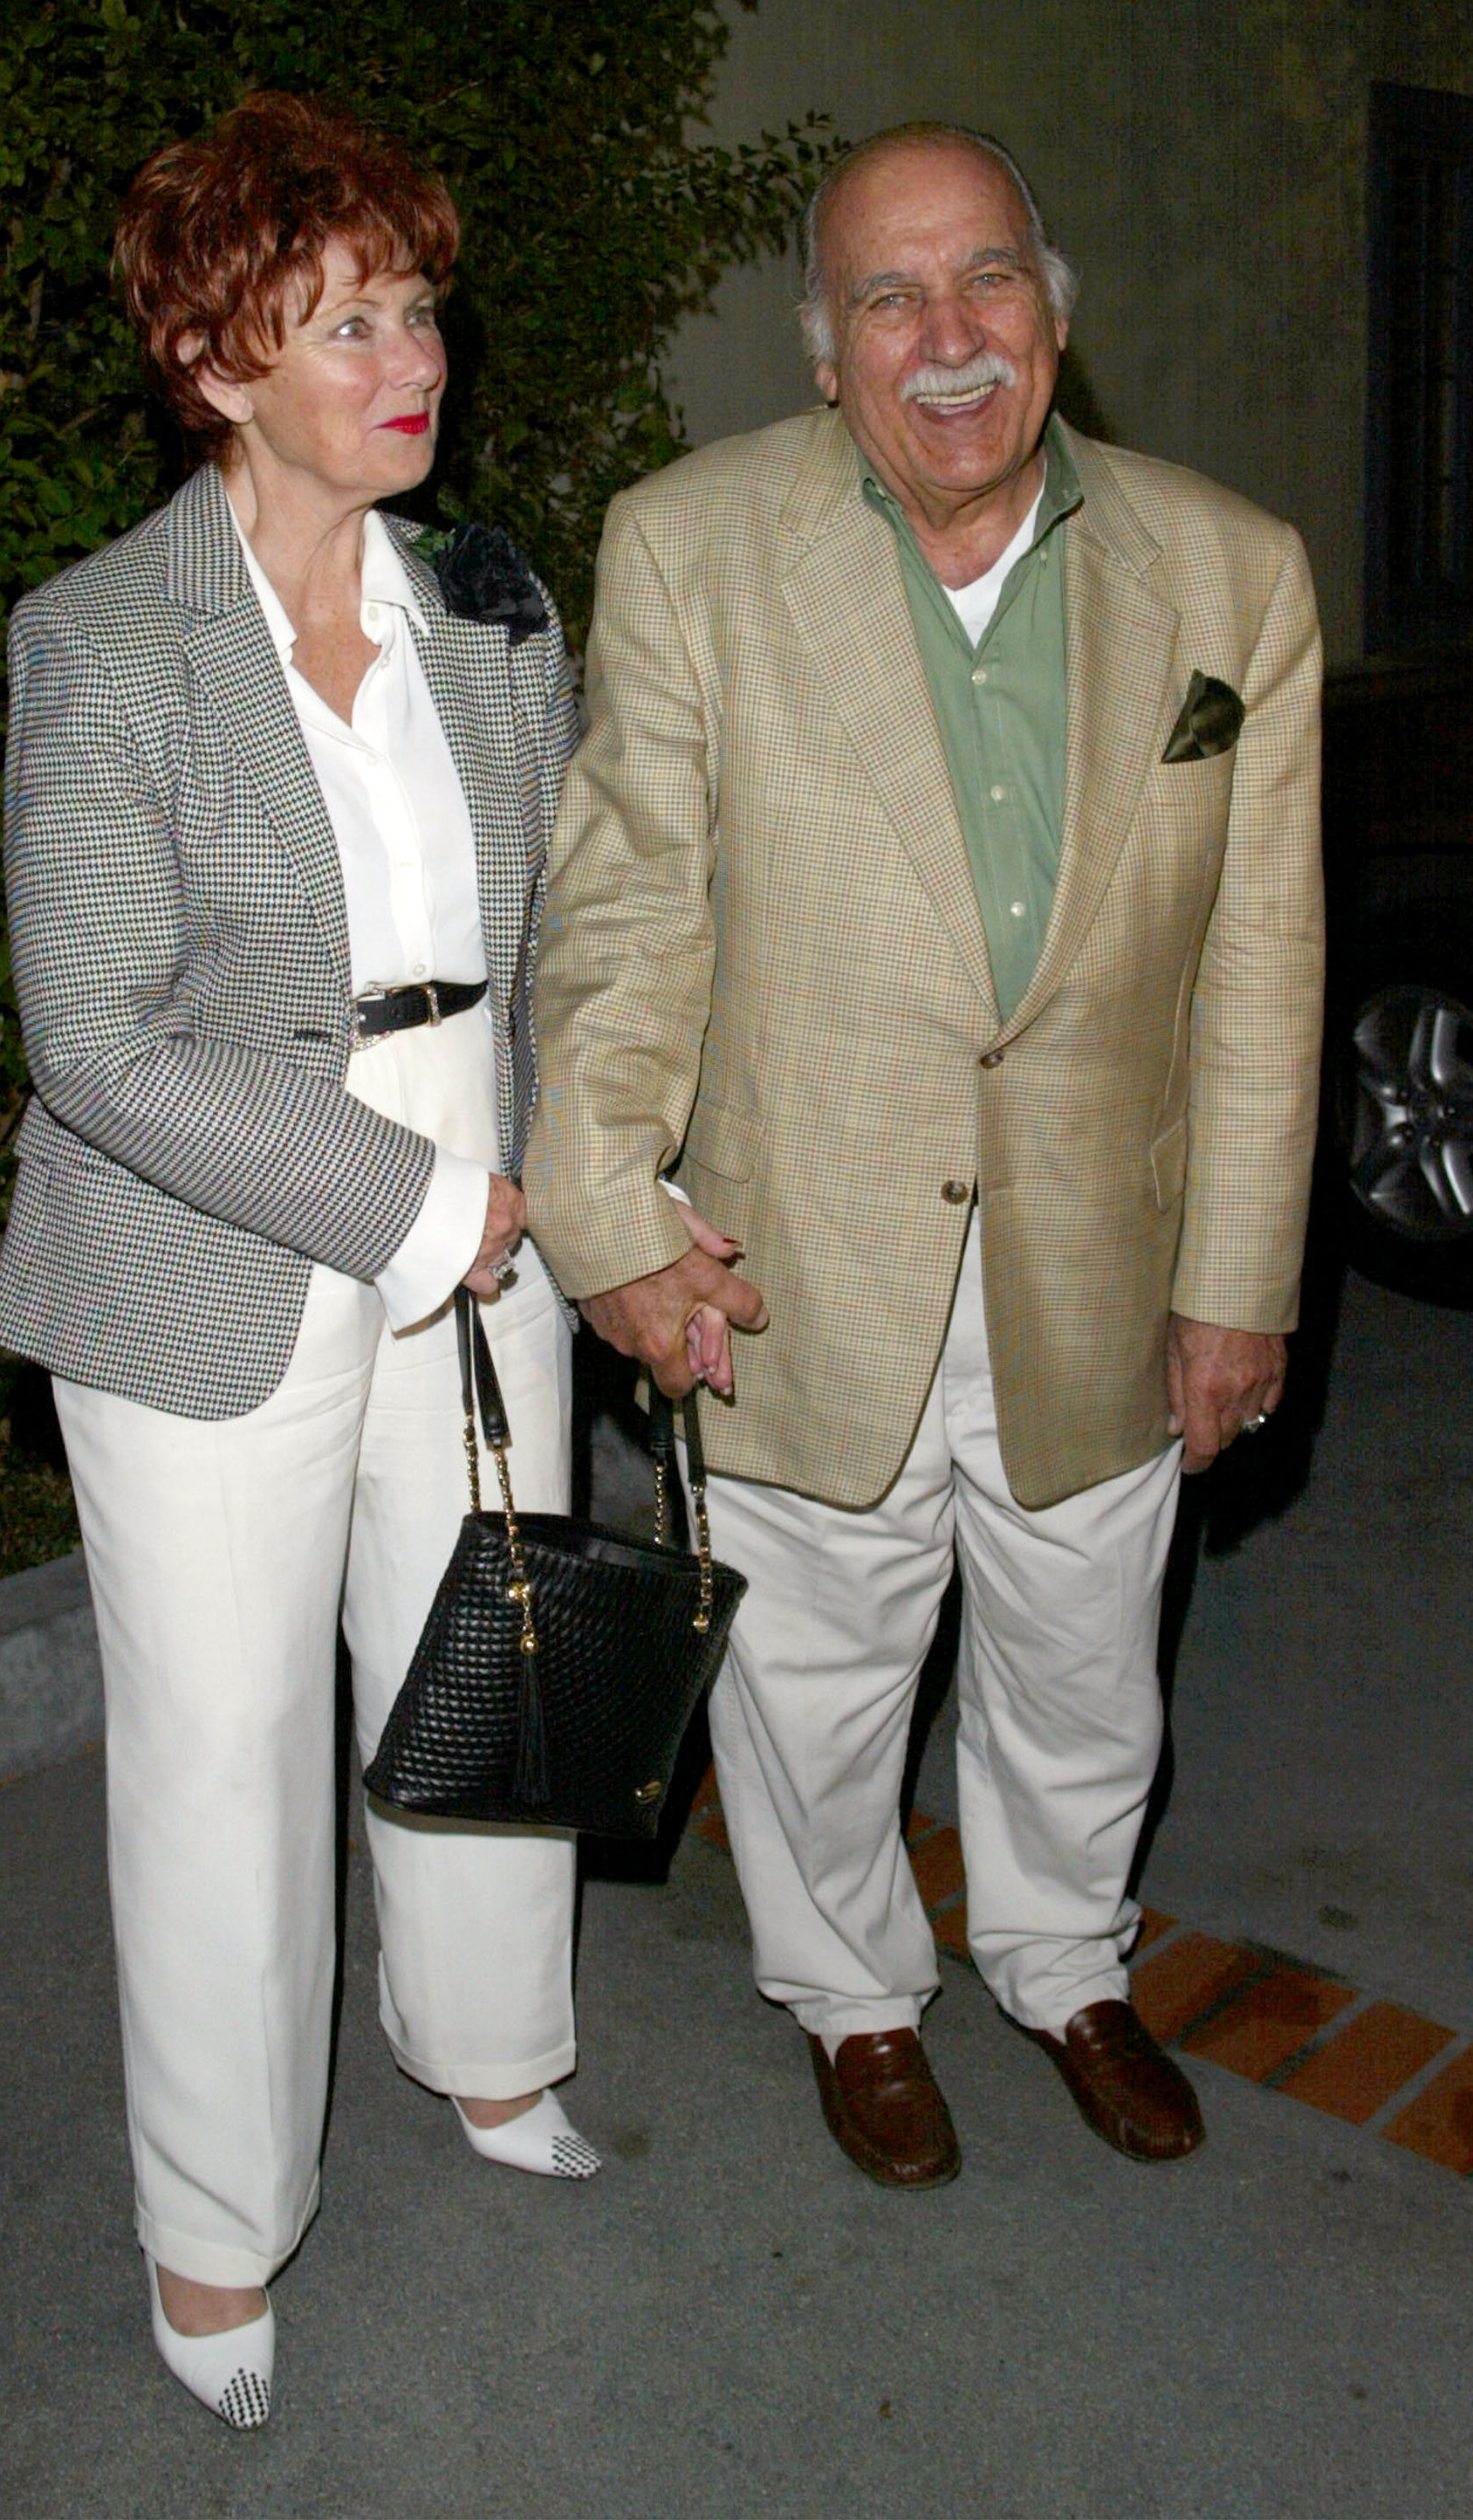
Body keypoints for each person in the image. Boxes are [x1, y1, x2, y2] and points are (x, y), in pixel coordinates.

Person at [524, 124, 1323, 2189]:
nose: (946, 337)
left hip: (1104, 1258)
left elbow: (1259, 956)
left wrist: (1238, 1273)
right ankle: (854, 1996)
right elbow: (621, 916)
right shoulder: (691, 549)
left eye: (985, 281)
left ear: (1052, 312)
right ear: (824, 353)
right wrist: (608, 1209)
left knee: (1082, 1657)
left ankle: (1064, 1960)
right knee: (812, 1681)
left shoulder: (1228, 571)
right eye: (888, 296)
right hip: (795, 1256)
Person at [0, 92, 598, 2431]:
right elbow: (103, 1047)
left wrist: (586, 1185)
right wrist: (424, 1210)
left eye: (415, 304)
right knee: (226, 1757)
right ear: (208, 356)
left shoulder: (487, 604)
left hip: (496, 1204)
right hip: (201, 1262)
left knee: (488, 1655)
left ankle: (491, 2051)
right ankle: (216, 2238)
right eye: (341, 319)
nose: (407, 353)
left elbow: (561, 942)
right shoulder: (107, 641)